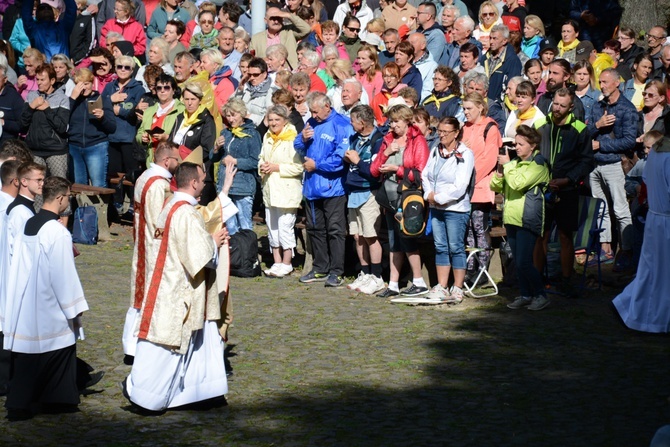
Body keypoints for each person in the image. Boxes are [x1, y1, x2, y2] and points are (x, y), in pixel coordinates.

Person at [124, 162, 229, 412]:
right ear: (194, 183)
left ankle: (198, 393)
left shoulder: (171, 205)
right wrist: (214, 241)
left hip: (164, 283)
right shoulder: (186, 213)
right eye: (202, 181)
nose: (203, 185)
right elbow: (199, 257)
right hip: (179, 289)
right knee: (166, 348)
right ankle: (146, 398)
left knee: (194, 341)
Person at [3, 176, 88, 421]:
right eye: (68, 197)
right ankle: (57, 399)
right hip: (49, 302)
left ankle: (21, 402)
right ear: (60, 198)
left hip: (27, 300)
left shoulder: (29, 224)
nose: (68, 202)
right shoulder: (56, 232)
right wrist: (74, 307)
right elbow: (63, 274)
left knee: (30, 357)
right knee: (58, 350)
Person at [123, 141, 181, 360]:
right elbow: (159, 222)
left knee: (140, 298)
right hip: (151, 248)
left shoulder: (145, 176)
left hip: (142, 242)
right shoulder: (158, 185)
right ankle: (136, 346)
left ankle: (133, 345)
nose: (178, 163)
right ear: (167, 160)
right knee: (147, 298)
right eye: (176, 159)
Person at [533, 88, 594, 295]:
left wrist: (568, 179)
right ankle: (537, 278)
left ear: (571, 107)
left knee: (565, 236)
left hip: (567, 190)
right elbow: (532, 154)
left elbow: (586, 161)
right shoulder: (540, 125)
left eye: (562, 105)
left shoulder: (579, 129)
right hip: (542, 188)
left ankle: (566, 280)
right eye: (555, 104)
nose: (557, 109)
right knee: (541, 235)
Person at [613, 131, 670, 332]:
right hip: (665, 221)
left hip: (656, 219)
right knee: (661, 273)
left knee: (652, 270)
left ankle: (629, 304)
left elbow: (647, 177)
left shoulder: (656, 152)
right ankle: (651, 317)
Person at [370, 104, 429, 298]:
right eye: (390, 121)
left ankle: (419, 281)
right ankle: (393, 284)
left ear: (406, 120)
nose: (392, 125)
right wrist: (385, 153)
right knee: (394, 240)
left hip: (408, 196)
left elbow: (421, 174)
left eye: (396, 121)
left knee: (408, 238)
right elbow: (374, 170)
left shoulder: (417, 140)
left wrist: (398, 170)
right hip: (390, 197)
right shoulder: (388, 140)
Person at [294, 92, 353, 287]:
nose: (313, 115)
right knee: (315, 229)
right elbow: (296, 145)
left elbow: (341, 158)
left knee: (335, 230)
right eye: (311, 111)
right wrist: (302, 138)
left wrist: (317, 165)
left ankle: (337, 271)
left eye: (316, 111)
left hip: (333, 187)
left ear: (327, 106)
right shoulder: (311, 122)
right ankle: (320, 268)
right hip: (312, 187)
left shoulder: (342, 125)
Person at [491, 125, 551, 311]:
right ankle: (526, 294)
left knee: (524, 261)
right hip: (511, 218)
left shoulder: (539, 164)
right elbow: (496, 186)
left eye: (521, 144)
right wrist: (501, 172)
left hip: (527, 219)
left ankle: (540, 295)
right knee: (518, 261)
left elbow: (517, 184)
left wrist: (508, 165)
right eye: (516, 144)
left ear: (532, 145)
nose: (516, 147)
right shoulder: (514, 163)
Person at [587, 68, 638, 270]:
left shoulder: (627, 109)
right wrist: (597, 125)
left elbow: (629, 141)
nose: (602, 86)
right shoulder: (598, 106)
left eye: (606, 82)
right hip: (595, 165)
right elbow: (587, 132)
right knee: (600, 210)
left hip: (614, 164)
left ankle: (626, 251)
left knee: (620, 210)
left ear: (617, 83)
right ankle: (605, 249)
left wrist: (601, 145)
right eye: (600, 82)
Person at [421, 116, 474, 303]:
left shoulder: (465, 154)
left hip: (455, 209)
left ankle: (457, 287)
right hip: (436, 207)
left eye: (445, 132)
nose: (441, 135)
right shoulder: (436, 150)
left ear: (456, 133)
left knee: (456, 247)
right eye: (439, 131)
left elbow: (460, 186)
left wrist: (440, 198)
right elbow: (426, 174)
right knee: (440, 246)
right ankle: (442, 285)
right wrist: (429, 194)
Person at [343, 104, 384, 295]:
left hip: (369, 192)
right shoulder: (354, 138)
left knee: (370, 235)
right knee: (358, 235)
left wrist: (357, 161)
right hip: (353, 190)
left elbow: (374, 172)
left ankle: (377, 276)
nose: (350, 124)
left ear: (362, 122)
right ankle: (364, 272)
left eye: (352, 120)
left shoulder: (378, 140)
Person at [460, 92, 501, 285]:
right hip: (465, 187)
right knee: (468, 229)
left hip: (481, 184)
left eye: (469, 109)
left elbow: (489, 158)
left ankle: (483, 269)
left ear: (480, 108)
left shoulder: (490, 127)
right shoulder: (464, 128)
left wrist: (471, 176)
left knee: (479, 226)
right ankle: (470, 267)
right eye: (464, 108)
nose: (465, 112)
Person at [259, 105, 304, 278]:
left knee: (285, 227)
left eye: (277, 120)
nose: (273, 123)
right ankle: (276, 261)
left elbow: (298, 167)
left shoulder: (293, 138)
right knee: (273, 227)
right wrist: (261, 167)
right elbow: (262, 157)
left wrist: (277, 167)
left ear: (285, 120)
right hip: (270, 189)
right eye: (270, 120)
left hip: (287, 190)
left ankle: (287, 262)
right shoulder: (267, 137)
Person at [102, 55, 145, 216]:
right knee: (113, 175)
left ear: (132, 70)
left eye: (127, 67)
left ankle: (134, 206)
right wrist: (110, 99)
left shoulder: (138, 89)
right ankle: (115, 204)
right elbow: (98, 105)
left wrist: (118, 110)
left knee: (131, 174)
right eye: (119, 66)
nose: (122, 70)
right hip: (111, 137)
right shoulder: (109, 87)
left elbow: (138, 112)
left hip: (129, 138)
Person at [212, 98, 261, 235]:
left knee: (245, 226)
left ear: (242, 114)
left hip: (243, 187)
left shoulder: (252, 134)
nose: (231, 119)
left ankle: (248, 256)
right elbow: (215, 158)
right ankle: (234, 255)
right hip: (225, 186)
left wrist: (235, 161)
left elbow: (255, 161)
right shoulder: (225, 133)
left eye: (234, 115)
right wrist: (216, 148)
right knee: (230, 227)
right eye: (228, 116)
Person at [169, 81, 217, 204]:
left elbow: (206, 148)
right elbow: (171, 141)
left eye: (193, 99)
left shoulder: (206, 120)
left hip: (197, 174)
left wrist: (185, 157)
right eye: (186, 99)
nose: (189, 103)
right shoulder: (180, 117)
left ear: (199, 100)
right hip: (178, 172)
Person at [68, 68, 117, 187]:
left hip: (96, 146)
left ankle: (100, 206)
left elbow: (112, 127)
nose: (84, 88)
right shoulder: (71, 101)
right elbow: (62, 119)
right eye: (80, 84)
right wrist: (72, 99)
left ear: (92, 83)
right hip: (75, 146)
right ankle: (82, 207)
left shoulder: (102, 99)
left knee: (98, 185)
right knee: (79, 186)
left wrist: (102, 117)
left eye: (86, 84)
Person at [21, 64, 70, 180]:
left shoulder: (62, 98)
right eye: (37, 79)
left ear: (52, 80)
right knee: (36, 190)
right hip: (34, 151)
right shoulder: (31, 96)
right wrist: (31, 107)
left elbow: (62, 127)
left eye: (43, 80)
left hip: (55, 151)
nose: (39, 83)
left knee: (58, 186)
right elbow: (22, 125)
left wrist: (47, 110)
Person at [250, 7, 311, 72]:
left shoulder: (289, 32)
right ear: (265, 20)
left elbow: (307, 29)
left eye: (278, 18)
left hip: (288, 74)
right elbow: (250, 59)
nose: (276, 21)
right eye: (273, 19)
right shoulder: (256, 38)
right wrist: (262, 60)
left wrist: (288, 15)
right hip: (265, 75)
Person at [481, 24, 522, 102]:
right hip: (483, 103)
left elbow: (512, 87)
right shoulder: (485, 58)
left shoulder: (512, 61)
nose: (491, 41)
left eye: (495, 38)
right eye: (490, 38)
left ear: (504, 41)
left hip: (500, 107)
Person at [232, 57, 274, 126]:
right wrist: (240, 90)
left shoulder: (270, 92)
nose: (252, 78)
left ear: (265, 74)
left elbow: (271, 118)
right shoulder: (246, 87)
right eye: (250, 75)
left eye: (256, 75)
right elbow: (231, 108)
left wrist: (250, 117)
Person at [0, 64, 23, 144]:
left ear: (5, 79)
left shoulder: (14, 98)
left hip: (6, 146)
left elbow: (21, 126)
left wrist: (3, 122)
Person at [573, 59, 600, 125]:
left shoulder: (597, 96)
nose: (582, 77)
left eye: (585, 74)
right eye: (579, 74)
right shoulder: (569, 92)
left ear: (590, 76)